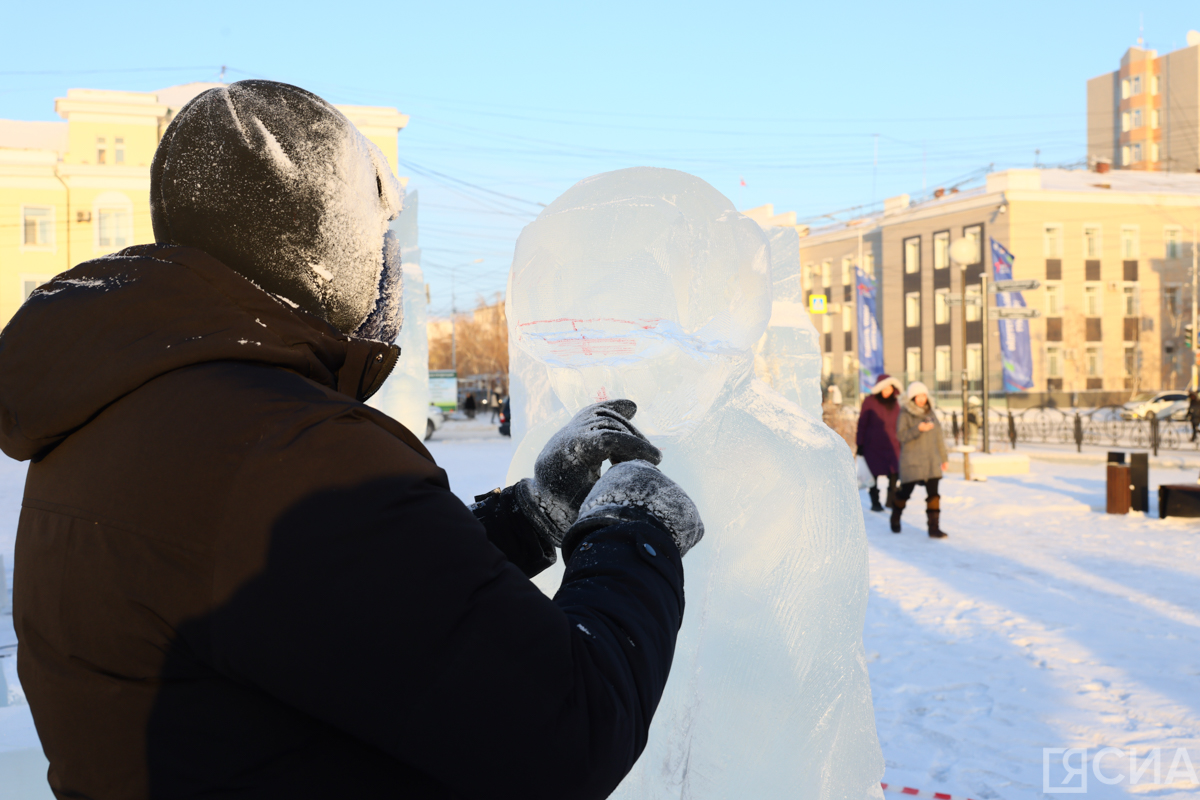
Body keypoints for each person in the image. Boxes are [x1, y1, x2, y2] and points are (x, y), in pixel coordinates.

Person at [0, 81, 703, 800]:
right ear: (315, 246)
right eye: (377, 228)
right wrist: (632, 535)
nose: (389, 260)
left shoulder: (135, 413)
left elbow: (333, 604)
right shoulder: (287, 450)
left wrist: (529, 515)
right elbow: (571, 732)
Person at [892, 381, 949, 538]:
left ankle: (934, 528)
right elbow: (901, 436)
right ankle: (895, 517)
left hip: (931, 461)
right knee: (905, 492)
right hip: (912, 462)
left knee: (934, 495)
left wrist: (944, 458)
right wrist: (918, 429)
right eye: (918, 396)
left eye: (924, 395)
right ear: (912, 397)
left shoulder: (931, 414)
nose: (922, 399)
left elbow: (939, 438)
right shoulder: (905, 414)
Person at [856, 373, 904, 512]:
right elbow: (862, 424)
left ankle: (890, 500)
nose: (887, 391)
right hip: (873, 446)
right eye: (885, 388)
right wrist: (860, 444)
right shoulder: (869, 402)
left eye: (890, 388)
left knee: (894, 473)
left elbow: (900, 424)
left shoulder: (895, 403)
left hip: (892, 444)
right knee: (873, 476)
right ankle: (875, 502)